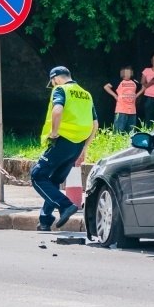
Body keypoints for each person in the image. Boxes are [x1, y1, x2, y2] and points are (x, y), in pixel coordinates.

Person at [31, 66, 99, 232]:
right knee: (53, 181)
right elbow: (95, 124)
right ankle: (45, 221)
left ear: (55, 79)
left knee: (37, 176)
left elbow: (58, 109)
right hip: (77, 145)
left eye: (52, 82)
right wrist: (85, 147)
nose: (53, 85)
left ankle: (65, 205)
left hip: (61, 141)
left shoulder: (60, 89)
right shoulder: (86, 94)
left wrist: (54, 132)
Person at [104, 65, 143, 133]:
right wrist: (114, 95)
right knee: (118, 132)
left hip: (132, 111)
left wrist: (136, 95)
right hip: (121, 110)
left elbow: (143, 87)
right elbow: (106, 87)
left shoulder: (134, 81)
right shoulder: (118, 81)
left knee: (131, 133)